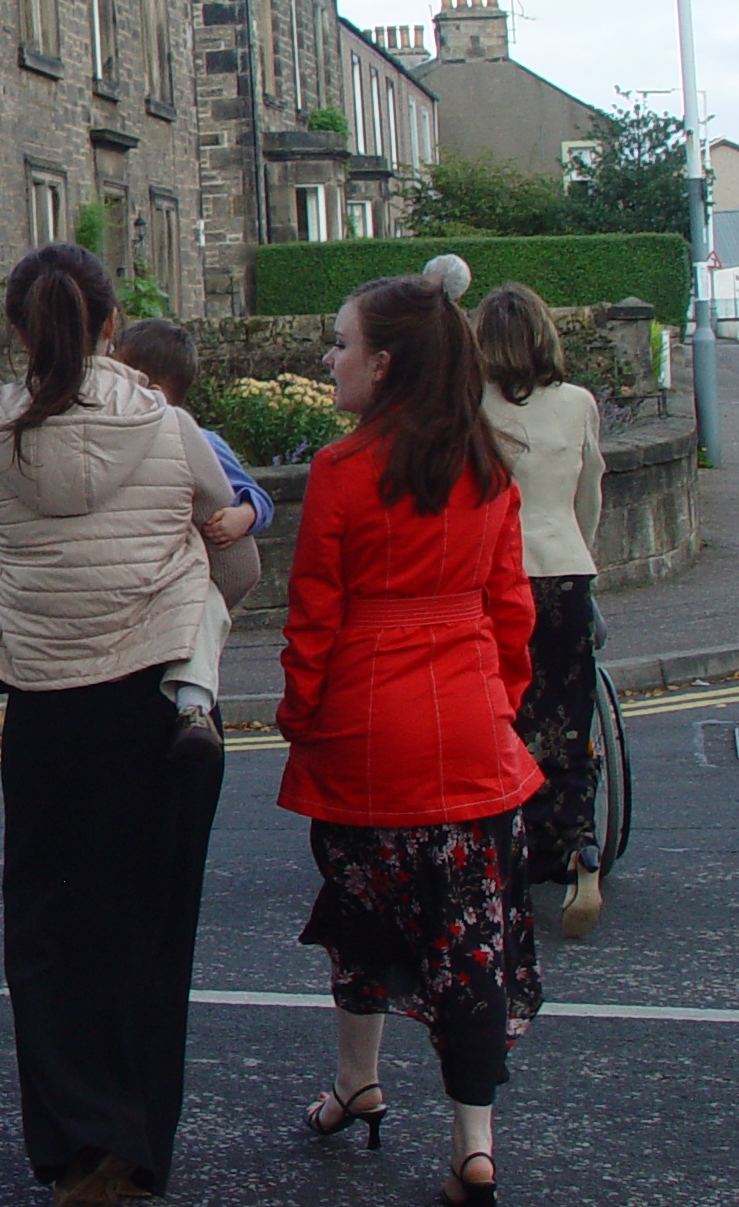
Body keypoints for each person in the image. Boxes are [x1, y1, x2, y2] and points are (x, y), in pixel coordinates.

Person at [0, 244, 240, 1203]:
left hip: (46, 704)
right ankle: (136, 1140)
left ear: (20, 331)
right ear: (111, 325)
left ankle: (69, 1141)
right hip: (156, 701)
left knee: (48, 927)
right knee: (148, 924)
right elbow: (224, 533)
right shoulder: (168, 425)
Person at [280, 276, 544, 1207]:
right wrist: (495, 703)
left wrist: (301, 719)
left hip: (362, 730)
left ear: (384, 365)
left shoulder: (342, 472)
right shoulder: (490, 469)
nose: (331, 357)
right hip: (470, 732)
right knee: (471, 942)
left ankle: (358, 1081)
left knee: (362, 920)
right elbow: (514, 614)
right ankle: (474, 1144)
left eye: (342, 343)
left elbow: (313, 618)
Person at [473, 281, 607, 937]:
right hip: (568, 572)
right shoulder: (579, 403)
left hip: (503, 581)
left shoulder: (476, 407)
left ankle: (513, 846)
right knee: (569, 720)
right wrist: (587, 560)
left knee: (511, 716)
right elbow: (591, 494)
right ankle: (581, 849)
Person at [111, 317, 269, 761]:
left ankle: (194, 707)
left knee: (202, 612)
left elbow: (255, 494)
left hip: (194, 573)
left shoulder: (200, 439)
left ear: (154, 393)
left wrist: (244, 514)